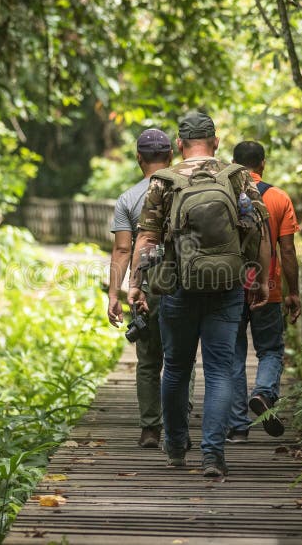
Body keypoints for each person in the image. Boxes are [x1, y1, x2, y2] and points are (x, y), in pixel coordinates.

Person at [128, 112, 271, 478]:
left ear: (179, 144)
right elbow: (258, 229)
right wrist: (259, 280)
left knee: (175, 368)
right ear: (216, 142)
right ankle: (213, 455)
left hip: (177, 285)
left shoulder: (163, 181)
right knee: (221, 369)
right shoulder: (236, 176)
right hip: (227, 285)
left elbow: (146, 238)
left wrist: (136, 284)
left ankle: (176, 447)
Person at [107, 128, 195, 449]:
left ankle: (150, 428)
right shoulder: (186, 189)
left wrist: (114, 293)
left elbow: (122, 250)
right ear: (171, 156)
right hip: (185, 283)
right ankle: (180, 422)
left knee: (147, 359)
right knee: (181, 357)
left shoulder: (128, 199)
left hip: (145, 285)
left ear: (138, 159)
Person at [226, 140, 301, 443]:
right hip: (268, 288)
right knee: (270, 349)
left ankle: (238, 427)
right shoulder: (279, 197)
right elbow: (288, 249)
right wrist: (292, 291)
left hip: (230, 287)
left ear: (233, 163)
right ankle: (264, 393)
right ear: (263, 164)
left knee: (233, 355)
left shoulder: (224, 194)